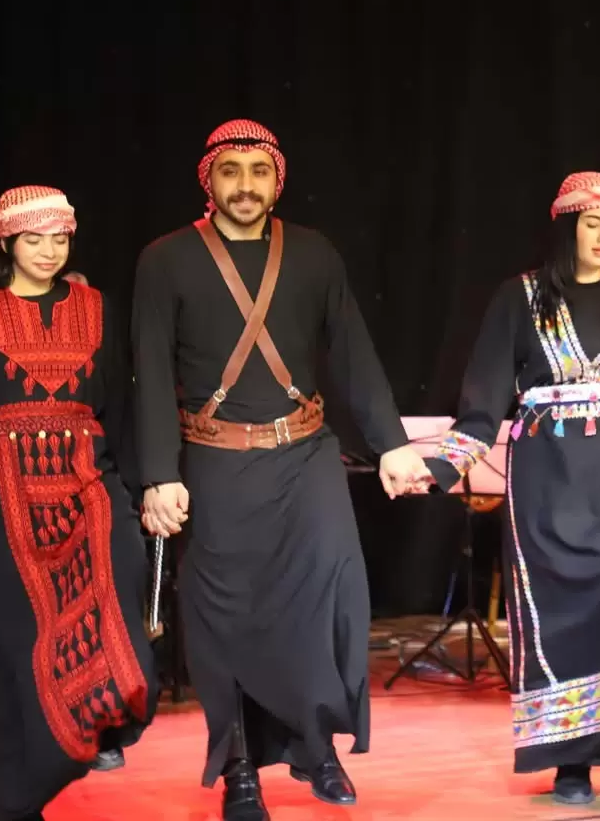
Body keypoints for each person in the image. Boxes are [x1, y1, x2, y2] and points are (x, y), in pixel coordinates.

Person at [131, 119, 431, 821]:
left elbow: (353, 352)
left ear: (278, 180)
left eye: (258, 171)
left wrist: (391, 443)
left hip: (305, 456)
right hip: (214, 461)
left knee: (330, 594)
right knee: (226, 620)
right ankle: (240, 768)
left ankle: (315, 745)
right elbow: (149, 370)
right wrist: (158, 473)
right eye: (230, 171)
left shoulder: (314, 254)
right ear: (208, 180)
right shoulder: (165, 260)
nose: (245, 185)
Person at [423, 171, 600, 806]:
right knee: (560, 612)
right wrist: (440, 466)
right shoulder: (519, 298)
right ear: (565, 227)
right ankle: (571, 759)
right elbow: (483, 403)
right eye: (591, 223)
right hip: (548, 475)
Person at [0, 186, 157, 820]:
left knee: (120, 620)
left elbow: (122, 409)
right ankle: (7, 801)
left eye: (60, 239)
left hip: (87, 487)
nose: (49, 252)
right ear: (5, 243)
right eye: (33, 240)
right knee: (11, 654)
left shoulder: (96, 308)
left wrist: (145, 485)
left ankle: (86, 736)